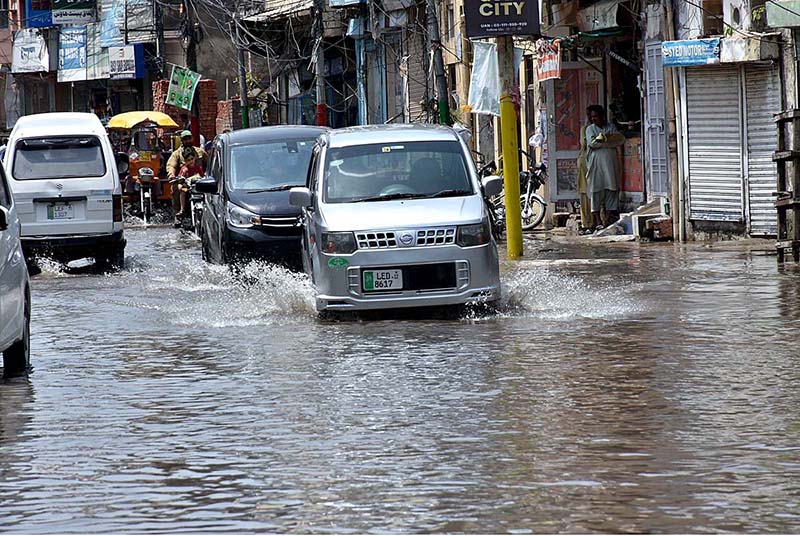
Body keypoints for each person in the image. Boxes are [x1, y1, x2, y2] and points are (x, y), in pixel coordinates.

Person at [585, 105, 625, 230]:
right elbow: (592, 144)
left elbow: (619, 140)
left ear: (602, 116)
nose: (594, 119)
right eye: (592, 117)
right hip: (596, 163)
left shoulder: (611, 127)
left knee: (611, 188)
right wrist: (606, 141)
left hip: (610, 162)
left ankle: (607, 219)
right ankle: (597, 220)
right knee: (596, 190)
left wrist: (604, 141)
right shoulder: (590, 129)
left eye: (596, 116)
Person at [166, 130, 207, 225]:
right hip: (184, 181)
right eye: (185, 139)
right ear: (181, 141)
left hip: (198, 180)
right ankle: (179, 214)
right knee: (176, 188)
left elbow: (208, 164)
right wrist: (172, 175)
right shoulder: (177, 154)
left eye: (189, 138)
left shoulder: (200, 152)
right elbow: (171, 165)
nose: (188, 141)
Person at [172, 148, 203, 224]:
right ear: (185, 161)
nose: (191, 161)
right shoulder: (184, 169)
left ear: (195, 158)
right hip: (188, 189)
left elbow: (202, 176)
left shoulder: (198, 168)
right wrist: (180, 184)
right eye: (188, 160)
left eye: (192, 159)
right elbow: (180, 179)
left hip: (197, 189)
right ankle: (182, 210)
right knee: (182, 191)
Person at [576, 108, 593, 234]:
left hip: (596, 161)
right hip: (585, 161)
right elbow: (584, 145)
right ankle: (587, 222)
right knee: (585, 191)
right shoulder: (585, 129)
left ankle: (596, 221)